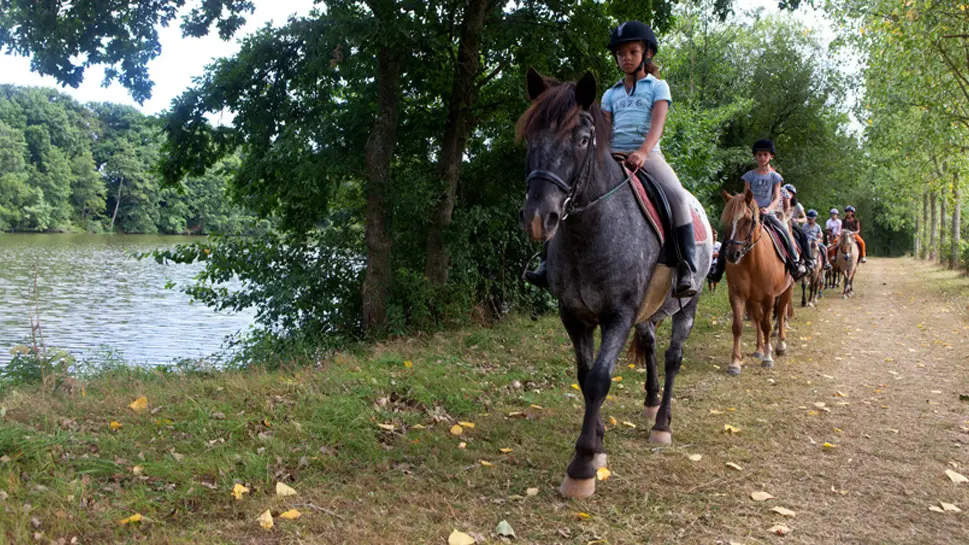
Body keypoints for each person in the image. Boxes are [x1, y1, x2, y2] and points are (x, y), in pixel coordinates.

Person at [524, 21, 698, 297]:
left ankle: (687, 264)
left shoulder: (658, 87)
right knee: (573, 194)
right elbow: (603, 128)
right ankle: (548, 261)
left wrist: (641, 152)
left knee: (676, 195)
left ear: (647, 54)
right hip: (614, 156)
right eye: (621, 54)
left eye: (632, 52)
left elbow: (657, 127)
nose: (626, 58)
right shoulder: (611, 93)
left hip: (648, 155)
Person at [707, 139, 805, 283]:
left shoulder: (775, 177)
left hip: (767, 213)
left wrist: (768, 209)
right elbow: (745, 196)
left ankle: (794, 264)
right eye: (759, 155)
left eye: (765, 155)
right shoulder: (749, 176)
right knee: (731, 236)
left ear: (771, 156)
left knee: (783, 231)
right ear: (755, 157)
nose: (762, 158)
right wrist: (747, 209)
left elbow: (777, 197)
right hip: (751, 212)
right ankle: (718, 270)